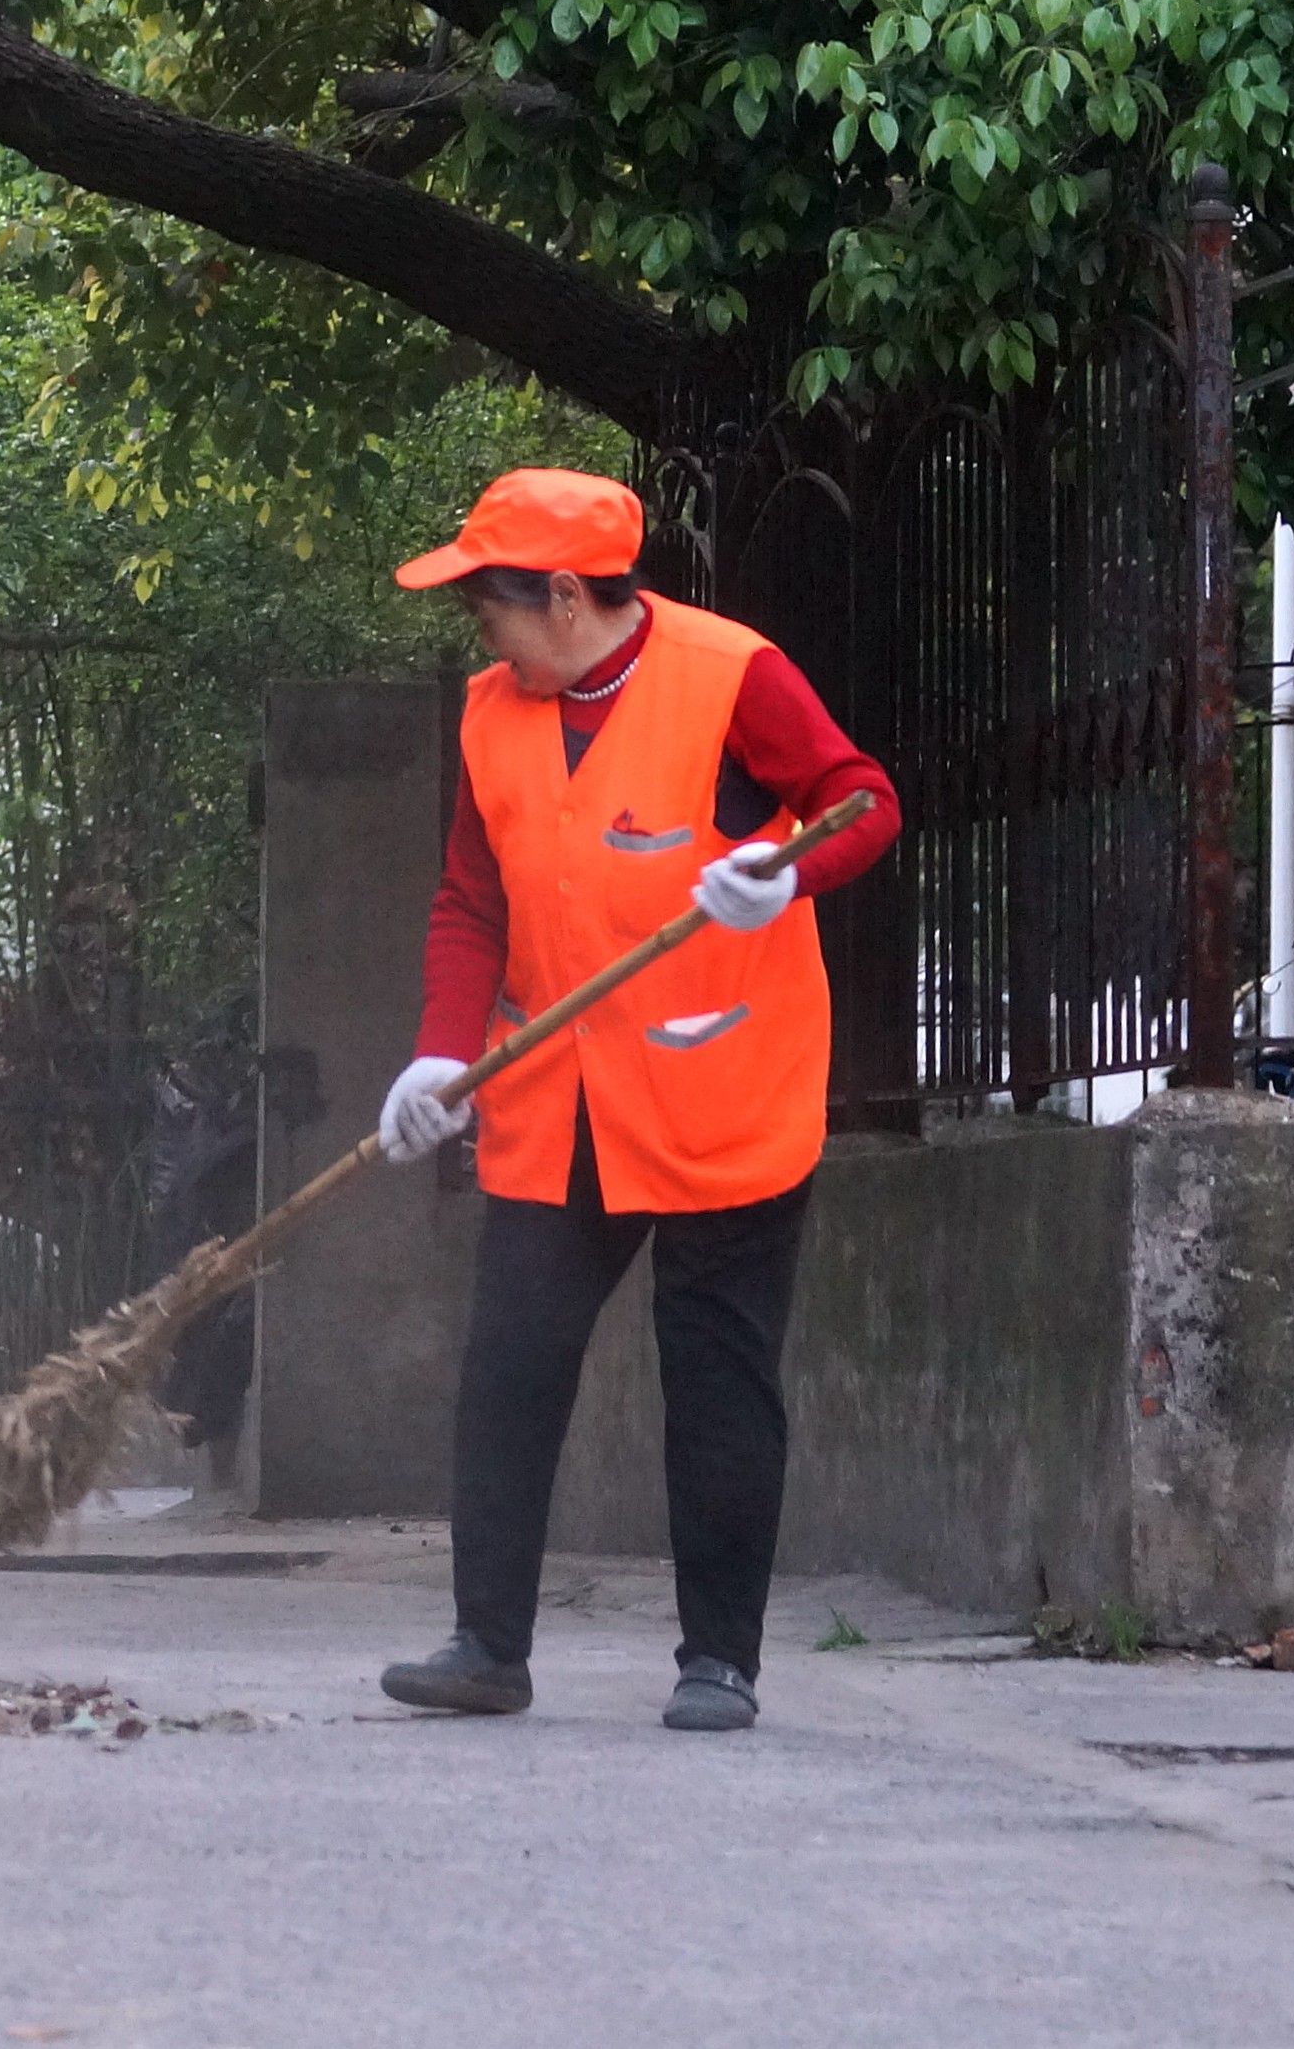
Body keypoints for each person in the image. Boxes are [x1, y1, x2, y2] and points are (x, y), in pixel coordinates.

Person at [370, 465, 901, 1734]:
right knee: (510, 1366)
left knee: (717, 1376)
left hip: (726, 1095)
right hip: (559, 1105)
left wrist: (784, 871)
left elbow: (865, 800)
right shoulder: (490, 714)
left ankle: (719, 1660)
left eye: (486, 605)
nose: (477, 632)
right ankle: (486, 1644)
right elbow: (471, 901)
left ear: (564, 596)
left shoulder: (732, 675)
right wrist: (442, 1054)